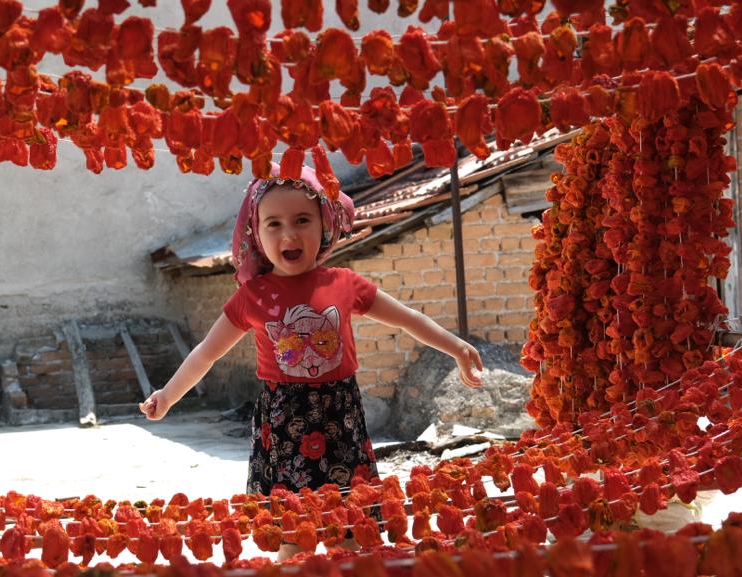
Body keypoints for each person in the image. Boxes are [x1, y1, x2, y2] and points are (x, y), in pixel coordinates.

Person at [140, 163, 484, 559]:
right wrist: (167, 396)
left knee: (352, 529)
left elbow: (410, 319)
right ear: (256, 234)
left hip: (341, 421)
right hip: (284, 426)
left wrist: (456, 347)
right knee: (292, 535)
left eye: (302, 219)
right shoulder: (252, 296)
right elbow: (206, 353)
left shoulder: (344, 284)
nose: (289, 233)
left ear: (325, 225)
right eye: (274, 223)